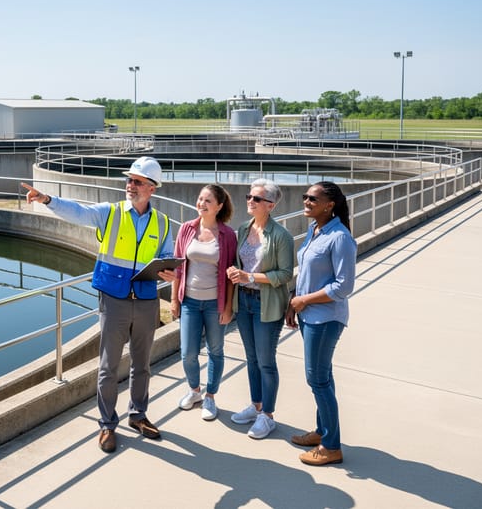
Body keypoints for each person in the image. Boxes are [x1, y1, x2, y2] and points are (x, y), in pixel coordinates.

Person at [21, 156, 175, 454]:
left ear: (152, 189)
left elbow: (167, 257)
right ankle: (107, 424)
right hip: (114, 300)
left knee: (142, 365)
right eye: (129, 180)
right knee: (108, 367)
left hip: (145, 300)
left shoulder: (163, 223)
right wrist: (47, 199)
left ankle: (138, 415)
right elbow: (78, 212)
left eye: (138, 181)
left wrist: (171, 272)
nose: (130, 185)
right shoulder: (111, 212)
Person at [285, 180, 356, 466]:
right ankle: (322, 431)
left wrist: (305, 301)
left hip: (325, 319)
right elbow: (307, 271)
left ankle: (331, 446)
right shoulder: (315, 230)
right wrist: (295, 296)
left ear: (330, 205)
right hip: (309, 314)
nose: (306, 201)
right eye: (305, 196)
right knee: (322, 378)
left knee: (317, 379)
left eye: (313, 199)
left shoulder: (339, 237)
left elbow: (343, 286)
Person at [226, 179, 294, 439]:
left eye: (256, 199)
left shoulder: (281, 236)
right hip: (243, 301)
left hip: (266, 303)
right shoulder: (243, 228)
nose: (250, 202)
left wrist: (250, 277)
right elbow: (240, 263)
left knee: (266, 361)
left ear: (271, 205)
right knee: (251, 358)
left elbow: (285, 274)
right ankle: (256, 407)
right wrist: (236, 272)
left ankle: (268, 416)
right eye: (249, 197)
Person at [170, 184, 237, 421]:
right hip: (188, 301)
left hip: (214, 303)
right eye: (200, 199)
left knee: (215, 351)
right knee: (188, 352)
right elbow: (178, 267)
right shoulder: (186, 229)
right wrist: (174, 300)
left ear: (219, 206)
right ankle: (195, 391)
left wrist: (228, 307)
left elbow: (231, 276)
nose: (202, 204)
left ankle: (210, 396)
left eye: (208, 201)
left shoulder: (228, 235)